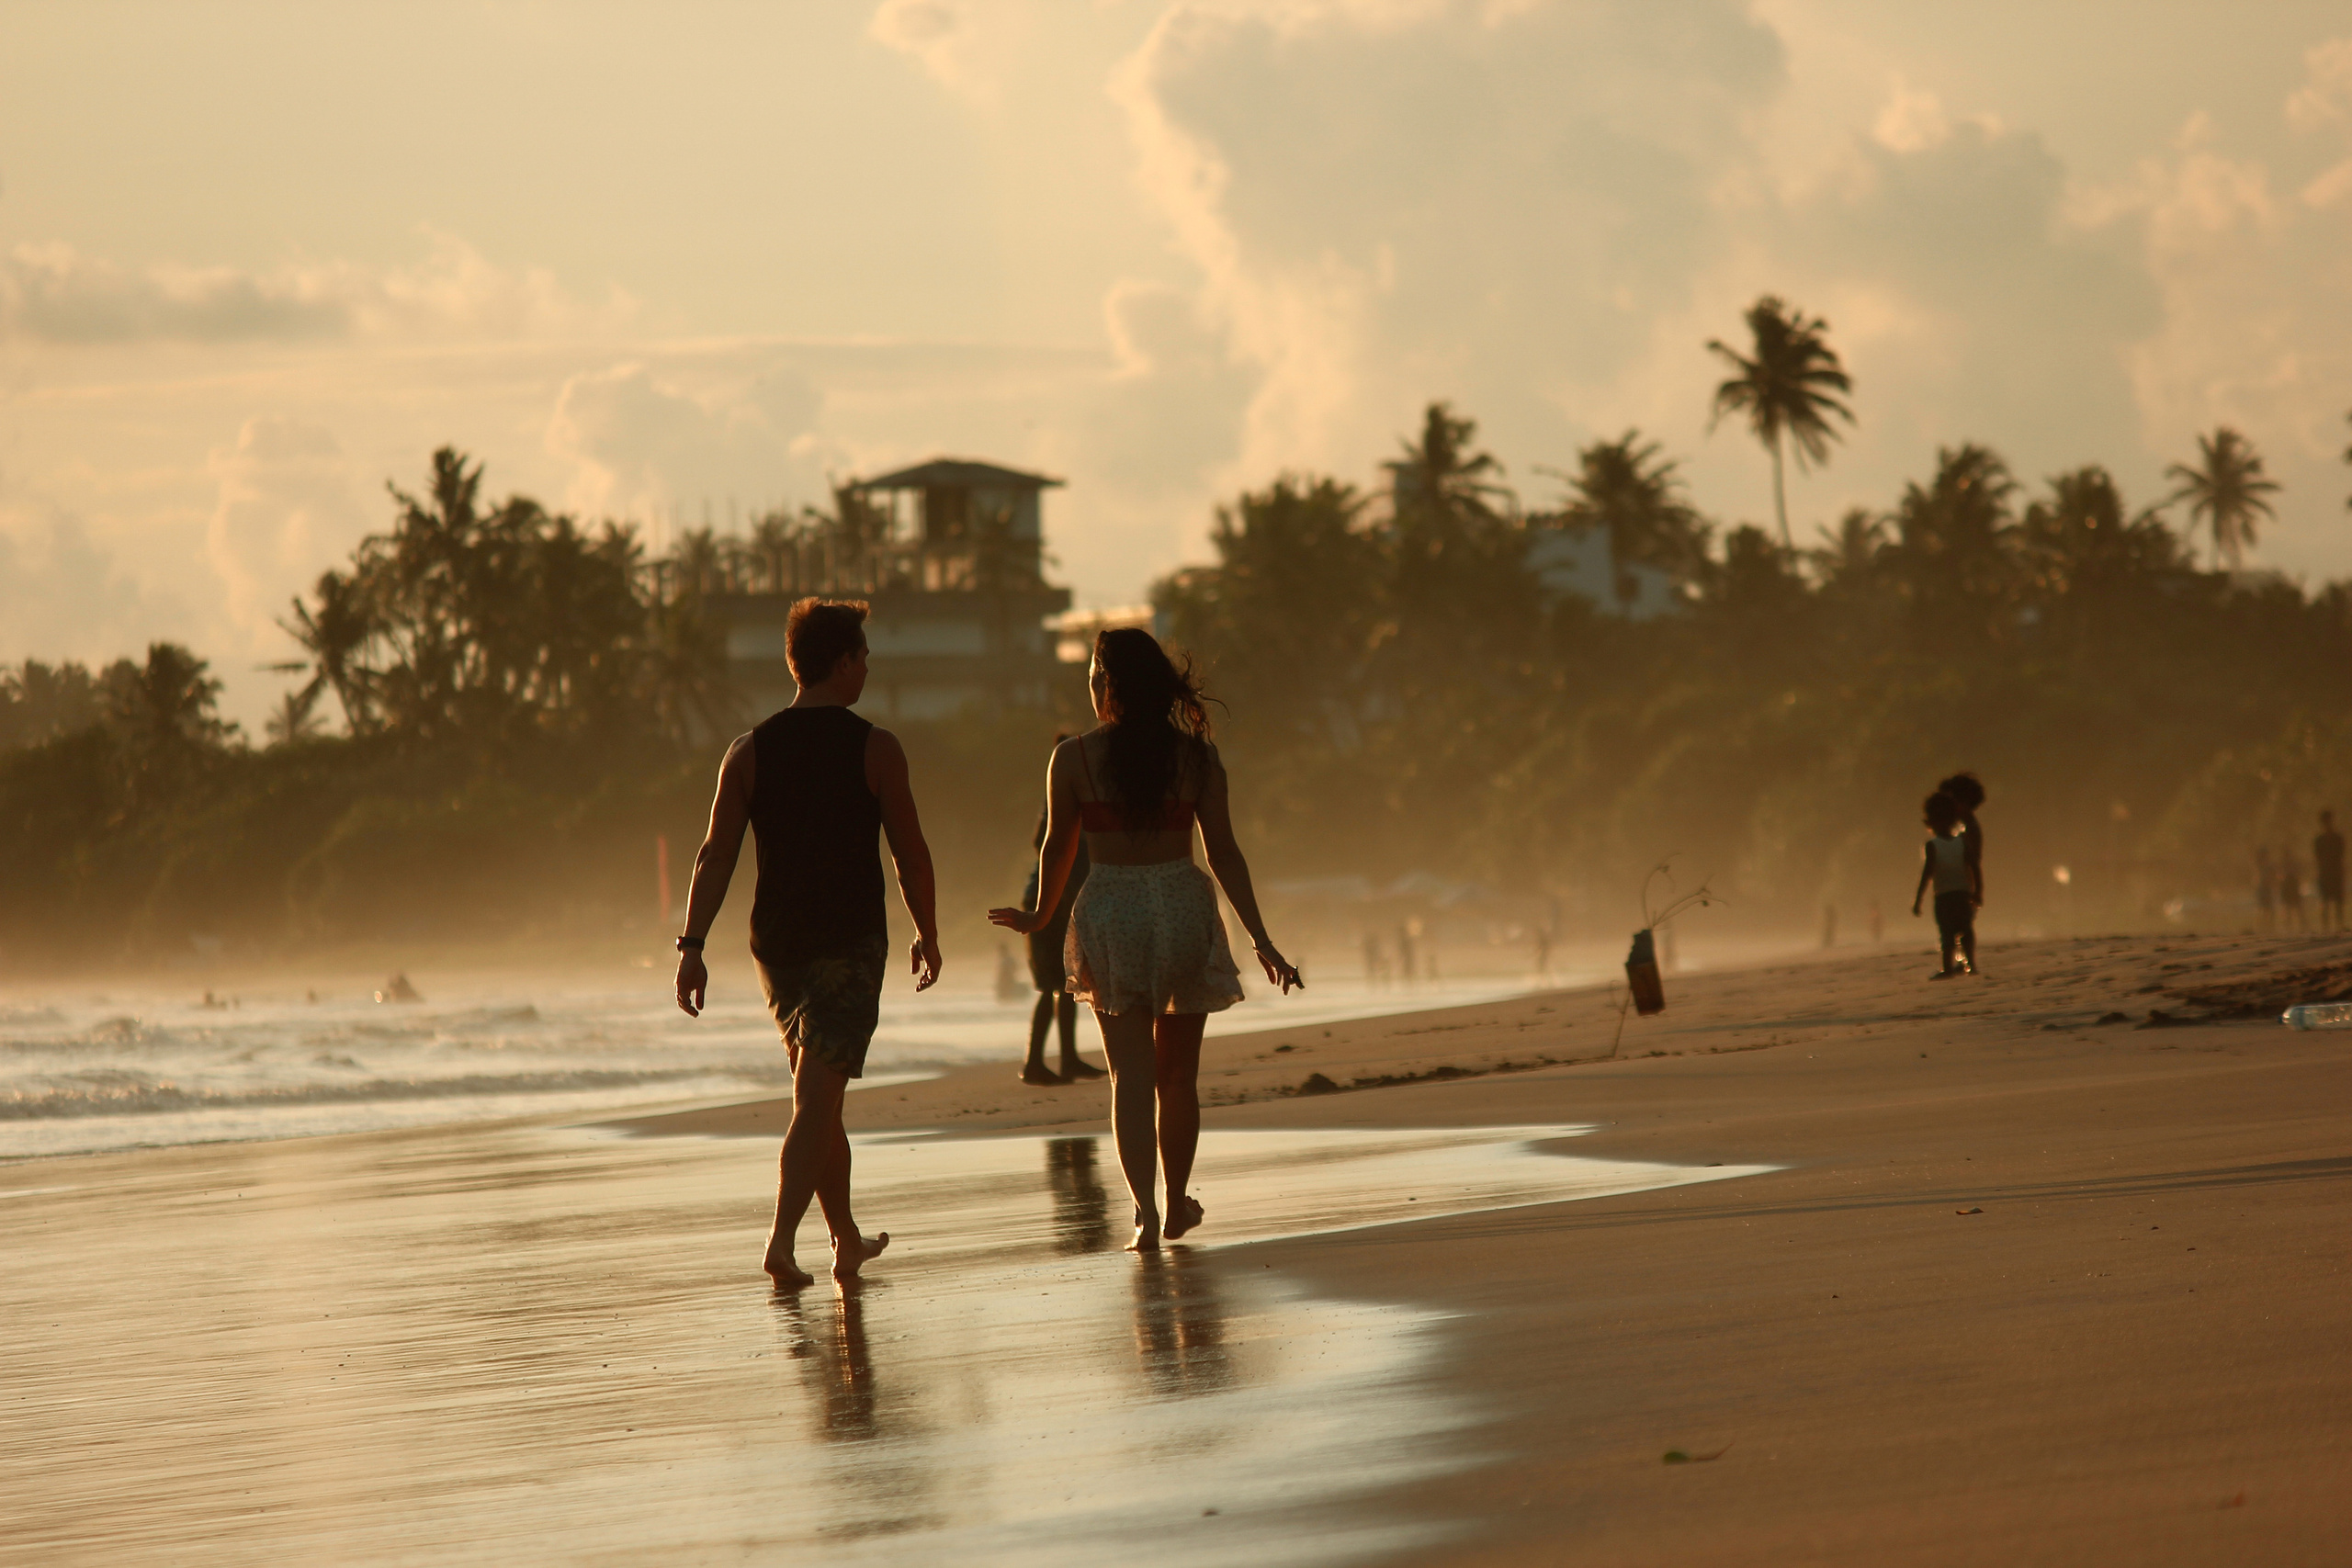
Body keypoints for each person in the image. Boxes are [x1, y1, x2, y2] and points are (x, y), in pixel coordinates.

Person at [989, 627, 1300, 1252]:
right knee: (1177, 1076)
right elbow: (1226, 853)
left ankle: (1145, 1214)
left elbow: (1058, 847)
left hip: (1113, 909)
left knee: (1128, 1076)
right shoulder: (1197, 758)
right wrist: (1262, 940)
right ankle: (1179, 1197)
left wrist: (1042, 915)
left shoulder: (1073, 758)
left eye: (1095, 675)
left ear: (1107, 683)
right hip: (1182, 905)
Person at [673, 598, 943, 1290]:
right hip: (847, 945)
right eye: (865, 658)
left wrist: (693, 944)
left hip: (778, 949)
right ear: (845, 661)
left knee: (818, 1095)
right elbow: (910, 853)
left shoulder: (749, 750)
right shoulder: (876, 746)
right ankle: (780, 1243)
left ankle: (845, 1238)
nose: (867, 671)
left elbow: (714, 856)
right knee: (816, 1100)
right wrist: (928, 931)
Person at [1019, 746, 1107, 1087]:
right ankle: (1034, 1063)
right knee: (1052, 984)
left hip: (1059, 900)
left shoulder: (1077, 801)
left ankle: (1066, 1059)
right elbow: (1049, 846)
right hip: (1050, 901)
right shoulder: (1067, 800)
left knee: (1066, 983)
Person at [1911, 790, 1980, 978]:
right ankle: (1971, 965)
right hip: (1963, 894)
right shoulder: (1962, 842)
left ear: (1929, 822)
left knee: (1947, 933)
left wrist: (1918, 900)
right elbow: (1974, 868)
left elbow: (1927, 874)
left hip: (1944, 896)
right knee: (1966, 930)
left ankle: (1948, 968)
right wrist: (1978, 891)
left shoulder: (1932, 845)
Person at [1937, 772, 1986, 899]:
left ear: (1963, 802)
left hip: (1963, 892)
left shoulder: (1970, 830)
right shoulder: (1962, 828)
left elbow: (1972, 863)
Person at [2317, 809, 2346, 931]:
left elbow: (2341, 856)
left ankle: (2339, 925)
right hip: (2325, 873)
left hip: (2335, 872)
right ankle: (2326, 928)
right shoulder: (2319, 840)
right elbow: (2318, 858)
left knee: (2338, 901)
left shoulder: (2338, 838)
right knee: (2325, 901)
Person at [2277, 842, 2306, 933]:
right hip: (2288, 885)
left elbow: (2297, 873)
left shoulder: (2289, 863)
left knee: (2295, 907)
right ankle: (2289, 927)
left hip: (2291, 885)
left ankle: (2300, 926)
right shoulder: (2284, 863)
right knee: (2290, 907)